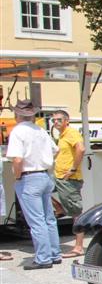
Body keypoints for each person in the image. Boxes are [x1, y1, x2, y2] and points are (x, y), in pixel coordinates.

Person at [4, 100, 60, 269]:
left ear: (17, 115)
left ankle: (43, 258)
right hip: (44, 174)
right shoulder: (40, 130)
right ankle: (54, 253)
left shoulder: (18, 132)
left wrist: (17, 175)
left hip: (29, 177)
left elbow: (17, 158)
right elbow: (55, 150)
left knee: (36, 221)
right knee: (48, 218)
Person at [51, 110, 86, 257]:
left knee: (76, 212)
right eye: (54, 120)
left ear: (67, 121)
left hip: (69, 178)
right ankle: (59, 208)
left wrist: (72, 169)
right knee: (43, 191)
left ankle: (79, 247)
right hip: (60, 176)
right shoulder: (62, 135)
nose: (56, 123)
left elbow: (81, 149)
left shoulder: (71, 133)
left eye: (59, 120)